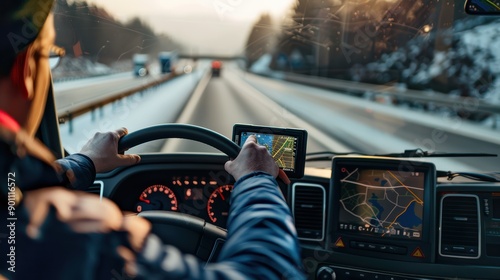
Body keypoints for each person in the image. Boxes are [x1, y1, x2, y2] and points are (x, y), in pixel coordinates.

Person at [0, 1, 305, 279]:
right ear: (24, 69)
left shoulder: (18, 212)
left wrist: (82, 163)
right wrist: (255, 180)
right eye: (47, 56)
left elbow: (16, 192)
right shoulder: (76, 241)